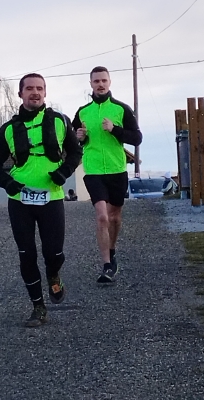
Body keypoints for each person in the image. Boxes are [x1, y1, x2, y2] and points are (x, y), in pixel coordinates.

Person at [0, 73, 82, 327]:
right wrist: (8, 183)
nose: (35, 93)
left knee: (54, 252)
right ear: (21, 94)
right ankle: (38, 307)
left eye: (40, 88)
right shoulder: (8, 129)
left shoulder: (60, 121)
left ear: (45, 93)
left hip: (52, 197)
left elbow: (75, 152)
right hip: (20, 200)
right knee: (26, 254)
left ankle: (53, 274)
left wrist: (63, 173)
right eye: (29, 89)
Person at [72, 66, 142, 283]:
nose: (100, 84)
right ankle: (106, 265)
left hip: (116, 169)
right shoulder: (83, 112)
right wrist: (79, 136)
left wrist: (115, 130)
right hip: (93, 170)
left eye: (103, 80)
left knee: (114, 217)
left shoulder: (121, 109)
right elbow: (75, 141)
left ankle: (112, 251)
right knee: (102, 216)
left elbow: (137, 138)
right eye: (96, 81)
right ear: (90, 84)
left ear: (109, 82)